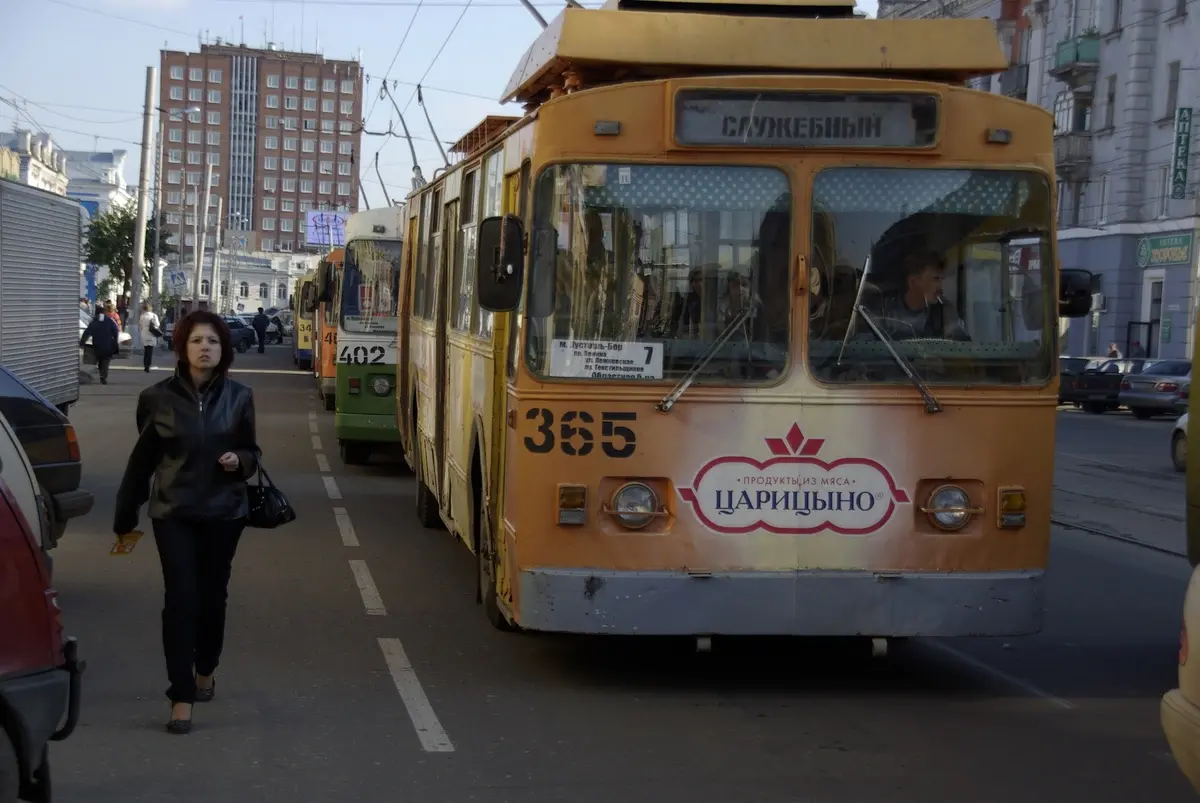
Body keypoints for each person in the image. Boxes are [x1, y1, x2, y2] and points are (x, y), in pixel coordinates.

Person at [113, 310, 259, 735]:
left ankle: (206, 668)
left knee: (212, 598)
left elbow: (252, 453)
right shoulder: (156, 398)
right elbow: (142, 464)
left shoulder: (240, 396)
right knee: (181, 599)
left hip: (224, 513)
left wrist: (240, 462)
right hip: (172, 512)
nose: (205, 348)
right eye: (197, 340)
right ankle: (181, 695)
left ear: (223, 349)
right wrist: (126, 515)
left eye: (213, 341)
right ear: (183, 347)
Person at [875, 251, 970, 341]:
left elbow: (963, 346)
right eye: (935, 278)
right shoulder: (883, 309)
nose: (941, 285)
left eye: (941, 279)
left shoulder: (944, 311)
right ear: (913, 282)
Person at [80, 305, 120, 384]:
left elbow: (87, 332)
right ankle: (103, 376)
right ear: (104, 313)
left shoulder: (94, 322)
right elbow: (115, 331)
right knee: (105, 361)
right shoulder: (109, 320)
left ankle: (102, 374)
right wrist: (115, 340)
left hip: (97, 345)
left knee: (100, 359)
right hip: (108, 344)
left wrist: (82, 342)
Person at [139, 302, 162, 372]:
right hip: (151, 333)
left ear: (144, 309)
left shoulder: (142, 316)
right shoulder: (154, 316)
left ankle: (145, 365)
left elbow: (141, 325)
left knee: (146, 350)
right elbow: (157, 324)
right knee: (150, 351)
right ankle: (148, 366)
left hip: (144, 333)